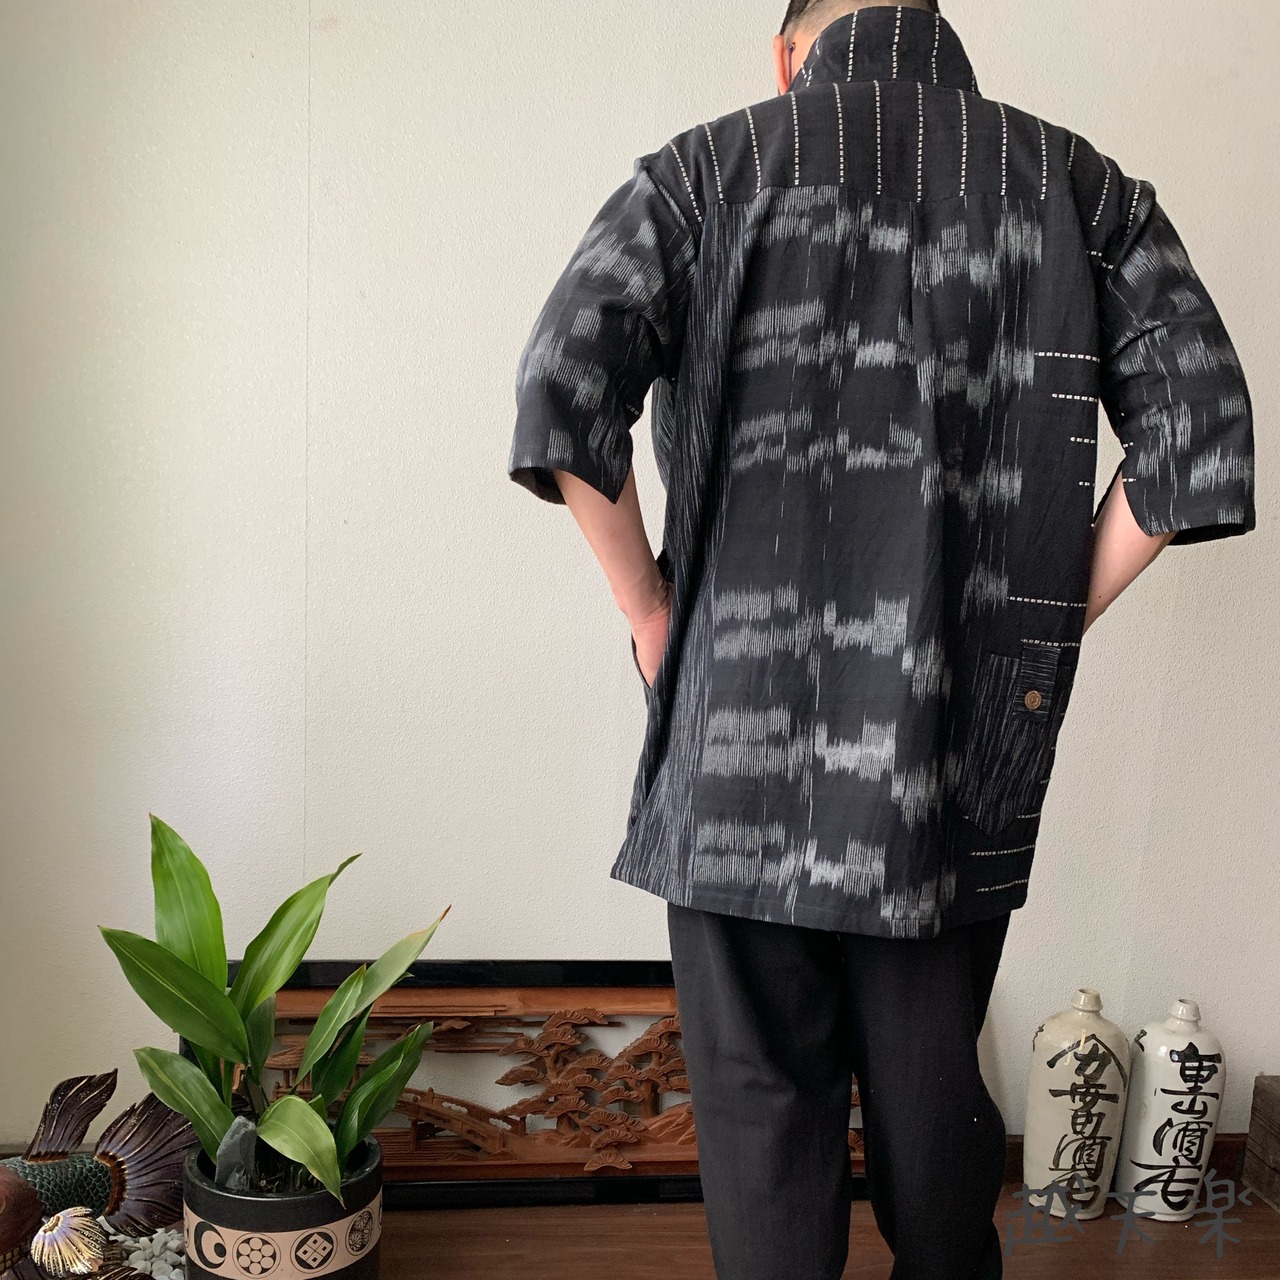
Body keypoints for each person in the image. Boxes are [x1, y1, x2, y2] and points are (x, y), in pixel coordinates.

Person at [505, 1, 1257, 1276]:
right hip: (950, 750)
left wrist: (649, 611)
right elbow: (1203, 432)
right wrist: (1034, 621)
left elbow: (559, 385)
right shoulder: (1073, 187)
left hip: (733, 739)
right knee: (934, 1113)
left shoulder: (702, 172)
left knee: (761, 1123)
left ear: (786, 54)